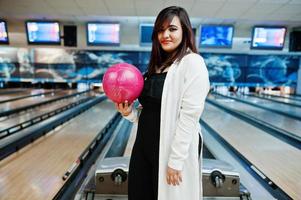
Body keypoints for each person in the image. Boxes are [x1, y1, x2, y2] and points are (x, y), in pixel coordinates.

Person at [115, 6, 209, 200]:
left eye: (172, 29)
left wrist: (175, 160)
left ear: (185, 31)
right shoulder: (157, 66)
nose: (165, 34)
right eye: (160, 30)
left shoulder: (192, 62)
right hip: (143, 146)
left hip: (170, 149)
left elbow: (189, 116)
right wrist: (129, 113)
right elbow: (151, 113)